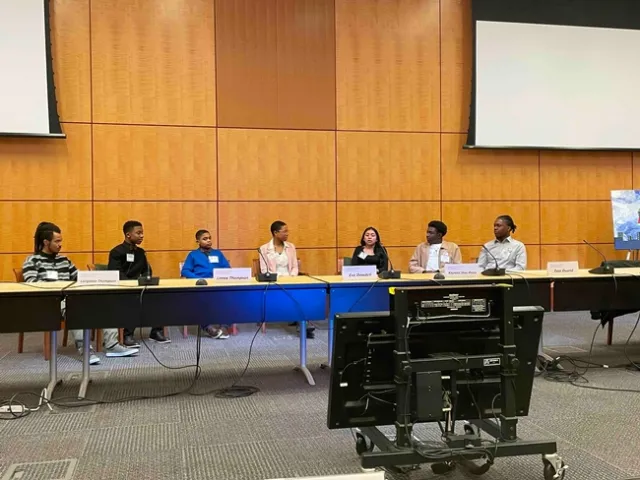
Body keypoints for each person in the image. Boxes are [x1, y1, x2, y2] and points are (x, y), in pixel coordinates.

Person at [23, 222, 138, 364]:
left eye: (61, 241)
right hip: (49, 303)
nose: (60, 244)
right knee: (75, 306)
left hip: (69, 299)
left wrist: (94, 280)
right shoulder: (32, 261)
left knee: (107, 302)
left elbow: (79, 278)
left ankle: (112, 345)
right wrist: (58, 287)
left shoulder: (64, 260)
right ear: (46, 242)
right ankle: (85, 350)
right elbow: (31, 286)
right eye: (57, 241)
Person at [107, 220, 169, 345]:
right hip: (121, 289)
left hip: (138, 287)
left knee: (160, 297)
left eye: (142, 233)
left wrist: (147, 281)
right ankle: (127, 335)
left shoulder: (141, 253)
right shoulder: (116, 252)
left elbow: (147, 271)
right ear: (128, 235)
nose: (142, 236)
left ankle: (156, 332)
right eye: (138, 233)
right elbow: (115, 273)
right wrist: (131, 284)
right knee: (133, 299)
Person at [259, 220, 314, 339]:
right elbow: (264, 270)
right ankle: (302, 322)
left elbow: (295, 267)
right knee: (292, 294)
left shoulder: (291, 247)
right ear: (275, 233)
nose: (287, 234)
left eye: (287, 231)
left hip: (291, 279)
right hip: (274, 282)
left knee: (302, 292)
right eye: (284, 231)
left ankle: (302, 322)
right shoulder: (263, 249)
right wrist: (280, 278)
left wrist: (292, 277)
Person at [181, 229, 230, 339]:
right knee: (199, 302)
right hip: (201, 285)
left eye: (209, 238)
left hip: (218, 284)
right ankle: (208, 328)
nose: (208, 241)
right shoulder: (193, 255)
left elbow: (227, 268)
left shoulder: (218, 253)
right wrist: (198, 279)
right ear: (198, 241)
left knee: (230, 298)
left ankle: (224, 327)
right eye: (205, 239)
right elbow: (185, 271)